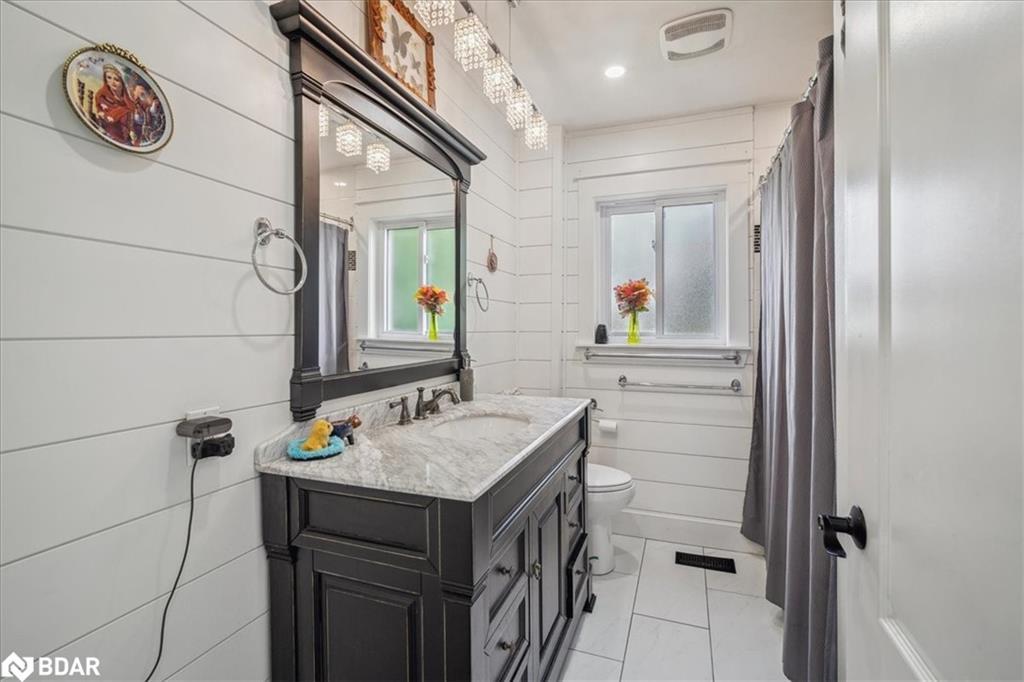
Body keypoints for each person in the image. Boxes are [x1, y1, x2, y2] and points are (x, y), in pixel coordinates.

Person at [93, 63, 135, 145]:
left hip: (127, 140)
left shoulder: (128, 101)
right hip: (108, 138)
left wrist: (131, 130)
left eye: (116, 79)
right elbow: (105, 116)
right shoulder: (102, 96)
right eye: (109, 78)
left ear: (122, 82)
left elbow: (131, 121)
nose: (112, 82)